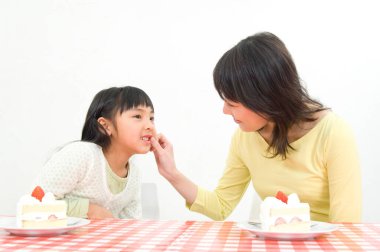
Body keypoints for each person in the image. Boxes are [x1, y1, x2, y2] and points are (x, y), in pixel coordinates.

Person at [151, 32, 362, 222]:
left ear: (265, 98)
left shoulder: (333, 133)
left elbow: (347, 226)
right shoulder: (244, 138)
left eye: (232, 103)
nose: (225, 110)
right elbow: (221, 206)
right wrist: (171, 173)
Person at [35, 86, 156, 219]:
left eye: (151, 118)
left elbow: (130, 225)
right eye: (137, 116)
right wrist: (89, 210)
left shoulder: (135, 175)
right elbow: (36, 201)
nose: (149, 125)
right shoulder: (81, 155)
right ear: (105, 126)